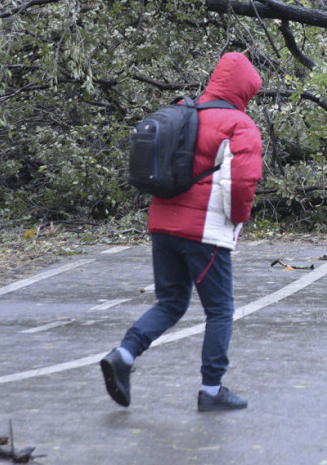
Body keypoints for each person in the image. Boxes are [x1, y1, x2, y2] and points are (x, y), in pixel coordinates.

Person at [100, 52, 263, 412]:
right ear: (245, 90)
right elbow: (243, 183)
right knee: (220, 309)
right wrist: (237, 221)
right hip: (203, 231)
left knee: (171, 302)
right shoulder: (240, 125)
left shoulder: (183, 110)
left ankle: (124, 355)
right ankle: (211, 390)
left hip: (162, 223)